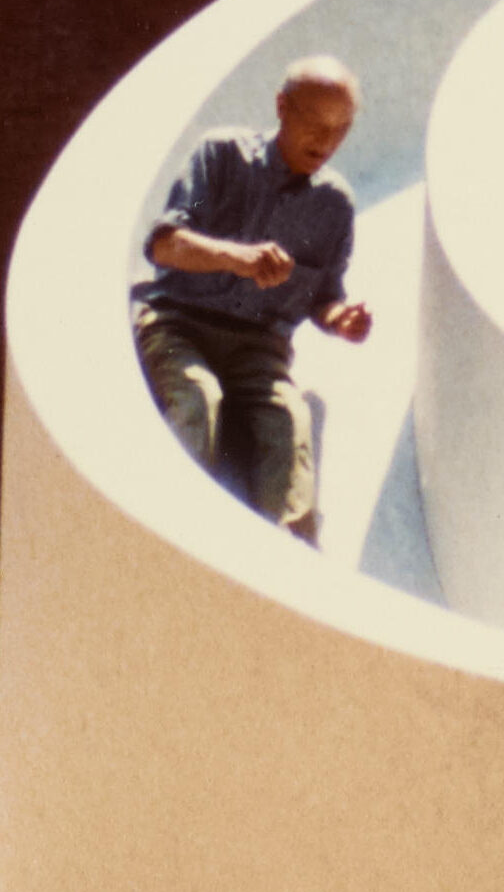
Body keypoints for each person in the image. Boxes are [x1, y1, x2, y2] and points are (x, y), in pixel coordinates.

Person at [131, 54, 373, 544]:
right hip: (178, 322)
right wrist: (237, 258)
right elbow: (164, 242)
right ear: (282, 107)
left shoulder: (334, 205)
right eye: (315, 124)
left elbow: (324, 297)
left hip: (258, 349)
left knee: (290, 420)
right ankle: (175, 540)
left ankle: (289, 563)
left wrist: (340, 318)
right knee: (198, 399)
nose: (325, 142)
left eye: (340, 130)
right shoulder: (219, 157)